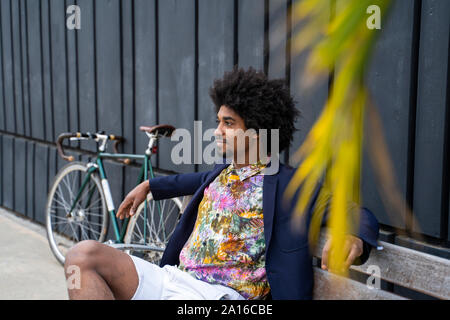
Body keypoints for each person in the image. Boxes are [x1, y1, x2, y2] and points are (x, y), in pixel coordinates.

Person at [64, 66, 379, 300]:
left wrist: (355, 237)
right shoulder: (222, 173)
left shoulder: (290, 184)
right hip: (174, 281)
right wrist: (149, 187)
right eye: (218, 122)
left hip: (223, 299)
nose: (217, 131)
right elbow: (193, 180)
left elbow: (352, 211)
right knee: (83, 257)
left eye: (228, 123)